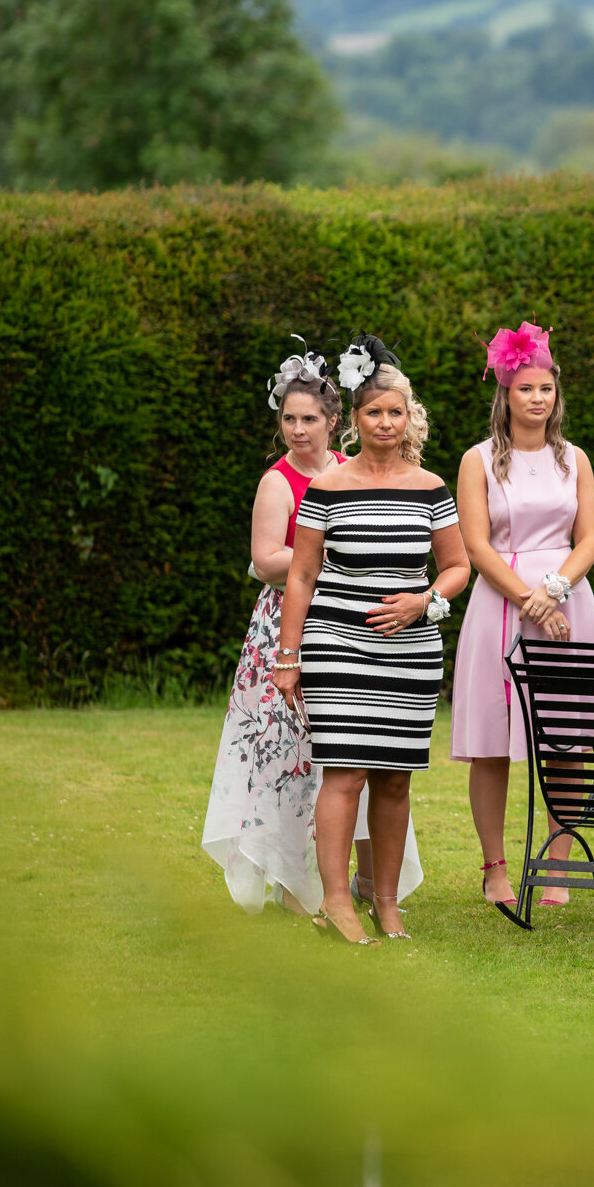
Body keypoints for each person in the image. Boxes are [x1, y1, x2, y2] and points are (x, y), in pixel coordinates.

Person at [202, 345, 422, 915]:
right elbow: (266, 559)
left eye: (310, 419)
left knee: (368, 752)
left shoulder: (352, 470)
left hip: (360, 620)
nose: (298, 430)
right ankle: (297, 887)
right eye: (289, 419)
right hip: (290, 623)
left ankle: (373, 884)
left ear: (334, 422)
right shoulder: (277, 482)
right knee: (298, 762)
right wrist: (331, 558)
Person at [275, 336, 470, 946]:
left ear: (409, 417)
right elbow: (302, 573)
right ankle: (337, 900)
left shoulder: (431, 487)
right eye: (373, 411)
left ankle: (386, 903)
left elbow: (458, 567)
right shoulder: (327, 487)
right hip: (336, 642)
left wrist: (424, 602)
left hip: (411, 651)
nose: (386, 422)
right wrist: (288, 656)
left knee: (395, 778)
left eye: (396, 411)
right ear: (354, 420)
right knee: (346, 772)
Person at [452, 322, 594, 911]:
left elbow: (589, 539)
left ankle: (557, 864)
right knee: (492, 744)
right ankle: (495, 869)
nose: (537, 399)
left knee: (566, 741)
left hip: (569, 603)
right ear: (505, 395)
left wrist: (557, 589)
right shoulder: (478, 461)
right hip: (501, 605)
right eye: (526, 389)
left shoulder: (576, 461)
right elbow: (477, 544)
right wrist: (530, 599)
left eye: (546, 389)